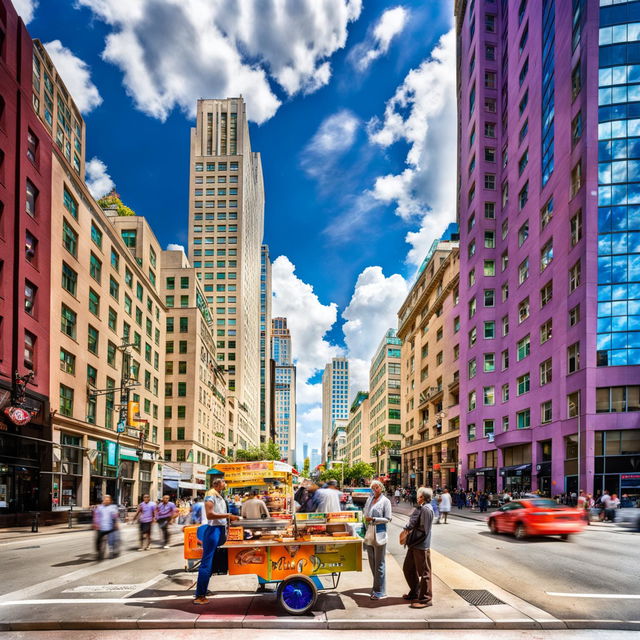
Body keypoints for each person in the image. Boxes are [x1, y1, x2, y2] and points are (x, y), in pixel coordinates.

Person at [193, 478, 240, 605]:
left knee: (211, 563)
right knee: (206, 563)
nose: (226, 484)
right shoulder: (210, 494)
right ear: (217, 483)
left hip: (218, 530)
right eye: (224, 482)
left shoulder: (218, 495)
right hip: (212, 531)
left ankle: (203, 590)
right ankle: (199, 596)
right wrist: (228, 516)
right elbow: (210, 514)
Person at [402, 487, 434, 608]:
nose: (417, 496)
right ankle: (415, 592)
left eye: (418, 494)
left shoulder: (426, 509)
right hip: (414, 544)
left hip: (420, 545)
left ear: (422, 497)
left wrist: (411, 531)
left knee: (424, 572)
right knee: (408, 568)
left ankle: (426, 599)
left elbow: (425, 530)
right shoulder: (422, 507)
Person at [363, 480, 392, 600]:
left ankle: (379, 591)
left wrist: (374, 519)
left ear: (381, 488)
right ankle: (377, 586)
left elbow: (388, 518)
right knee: (372, 563)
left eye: (376, 487)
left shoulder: (386, 501)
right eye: (372, 487)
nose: (374, 489)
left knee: (379, 564)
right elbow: (365, 513)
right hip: (369, 533)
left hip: (379, 533)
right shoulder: (369, 500)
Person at [93, 494, 119, 561]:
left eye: (108, 500)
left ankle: (111, 551)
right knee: (98, 541)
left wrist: (116, 523)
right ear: (103, 500)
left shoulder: (112, 507)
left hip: (110, 527)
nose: (106, 501)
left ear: (110, 501)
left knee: (111, 541)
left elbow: (115, 516)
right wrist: (96, 524)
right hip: (101, 527)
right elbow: (96, 516)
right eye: (105, 500)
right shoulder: (99, 507)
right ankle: (99, 552)